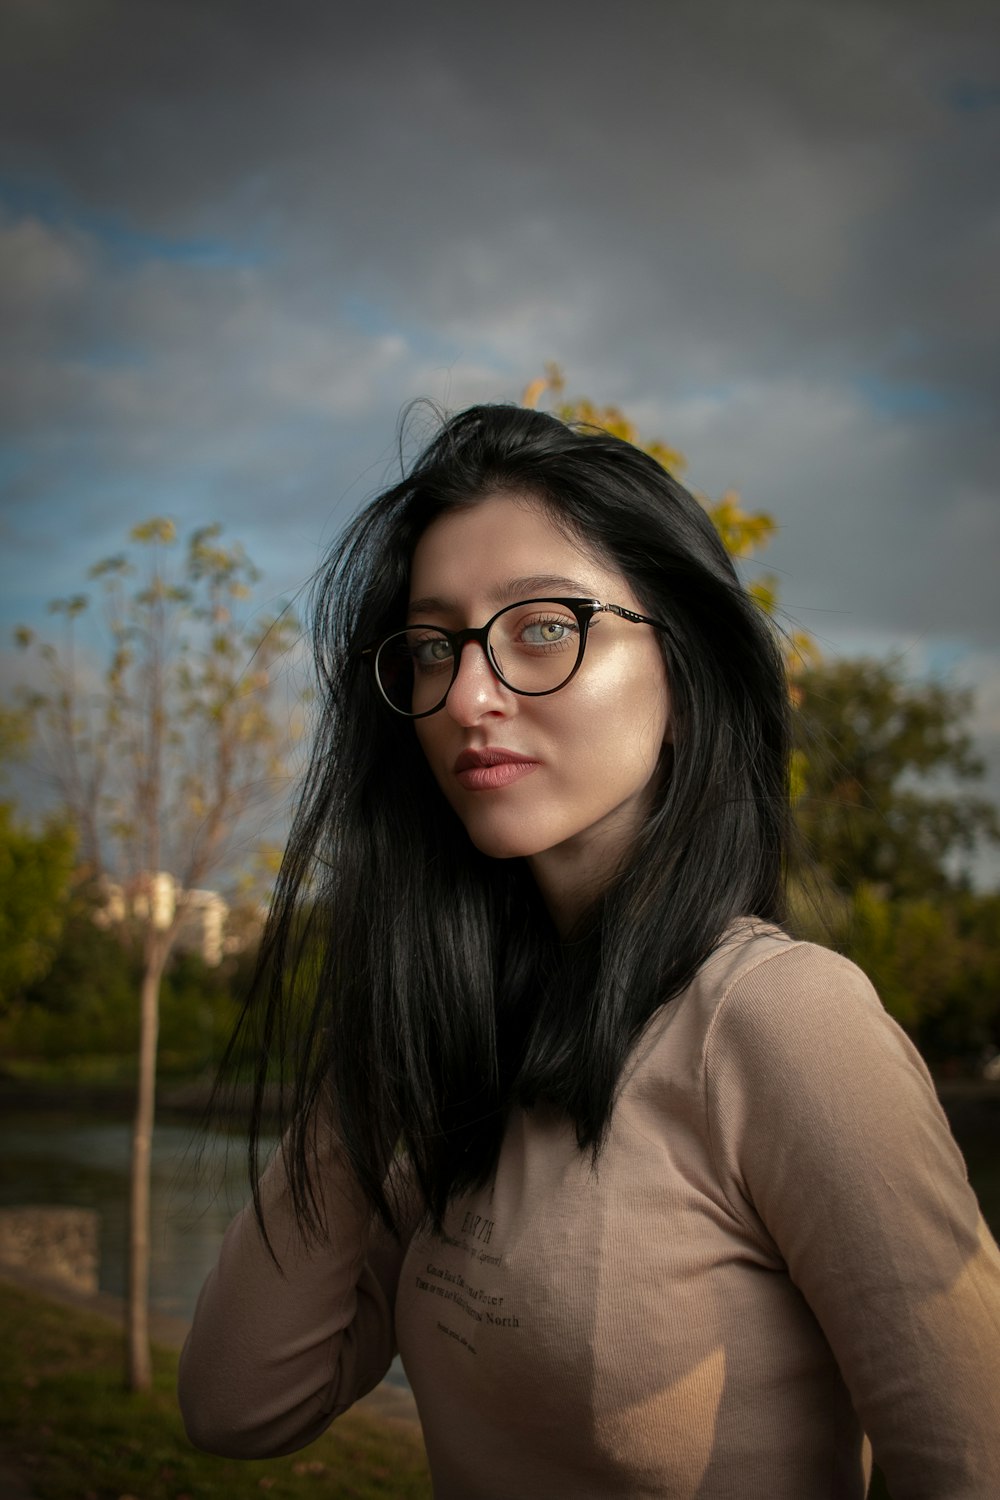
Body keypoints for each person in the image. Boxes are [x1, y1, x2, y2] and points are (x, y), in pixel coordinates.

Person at [178, 403, 1000, 1498]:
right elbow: (238, 1407)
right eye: (432, 648)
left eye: (543, 628)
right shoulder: (463, 1050)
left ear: (683, 670)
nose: (467, 696)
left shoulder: (780, 1024)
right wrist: (387, 1033)